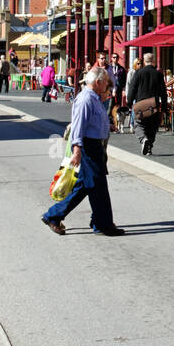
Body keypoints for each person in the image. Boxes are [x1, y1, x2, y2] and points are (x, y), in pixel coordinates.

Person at [41, 66, 124, 236]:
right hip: (88, 146)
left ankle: (54, 215)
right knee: (97, 185)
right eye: (106, 82)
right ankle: (102, 223)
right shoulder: (86, 99)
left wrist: (106, 126)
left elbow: (92, 121)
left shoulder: (95, 98)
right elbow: (78, 127)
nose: (108, 85)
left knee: (86, 185)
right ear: (98, 82)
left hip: (95, 146)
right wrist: (77, 150)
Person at [124, 51, 167, 156]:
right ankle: (149, 148)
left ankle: (143, 139)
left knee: (138, 124)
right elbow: (163, 91)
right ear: (153, 61)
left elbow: (132, 88)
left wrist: (129, 102)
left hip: (141, 104)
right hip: (154, 104)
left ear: (144, 61)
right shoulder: (158, 74)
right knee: (152, 127)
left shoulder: (138, 73)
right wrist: (164, 105)